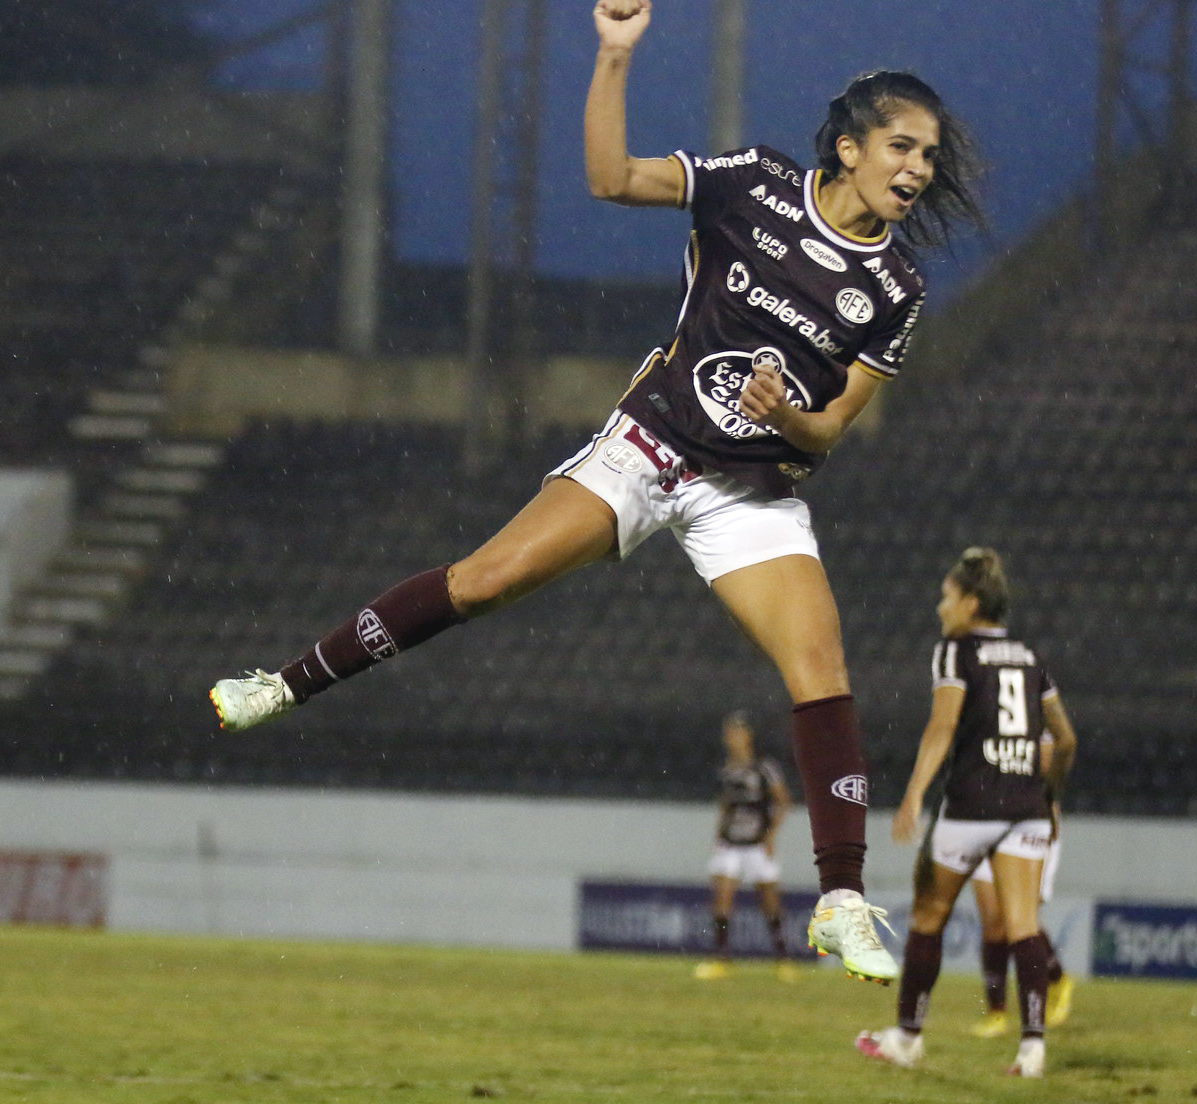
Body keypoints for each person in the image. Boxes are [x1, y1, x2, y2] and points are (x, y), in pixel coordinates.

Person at [208, 0, 984, 986]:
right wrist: (613, 58)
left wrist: (785, 415)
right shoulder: (751, 185)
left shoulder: (895, 291)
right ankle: (283, 683)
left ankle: (836, 901)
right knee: (483, 582)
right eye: (900, 147)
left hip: (747, 491)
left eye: (926, 155)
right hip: (649, 446)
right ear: (846, 145)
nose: (916, 169)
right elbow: (609, 179)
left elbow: (830, 430)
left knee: (819, 665)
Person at [855, 548, 1076, 1079]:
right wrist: (1049, 795)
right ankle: (1031, 1051)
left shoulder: (955, 653)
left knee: (929, 915)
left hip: (972, 803)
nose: (940, 608)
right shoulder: (1029, 657)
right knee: (1024, 925)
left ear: (971, 603)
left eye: (947, 597)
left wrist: (913, 793)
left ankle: (907, 1038)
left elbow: (943, 726)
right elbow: (1065, 739)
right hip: (1025, 806)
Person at [967, 728, 1073, 1038]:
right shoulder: (977, 702)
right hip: (984, 817)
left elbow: (1057, 755)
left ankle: (1057, 979)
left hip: (1028, 820)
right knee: (992, 920)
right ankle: (997, 1013)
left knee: (1019, 919)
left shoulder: (1030, 697)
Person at [694, 710, 798, 981]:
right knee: (722, 899)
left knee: (770, 903)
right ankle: (721, 959)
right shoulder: (727, 771)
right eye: (730, 734)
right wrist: (718, 836)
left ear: (749, 736)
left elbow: (784, 801)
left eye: (738, 733)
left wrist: (771, 836)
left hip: (757, 844)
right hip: (730, 843)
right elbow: (726, 805)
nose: (733, 739)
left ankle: (783, 960)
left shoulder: (764, 768)